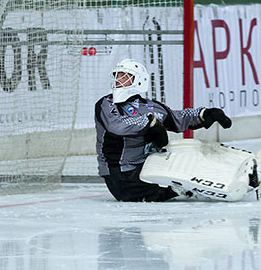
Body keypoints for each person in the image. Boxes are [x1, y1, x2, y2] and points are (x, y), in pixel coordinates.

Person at [94, 58, 233, 202]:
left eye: (125, 76)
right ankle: (183, 190)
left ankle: (226, 176)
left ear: (139, 80)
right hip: (119, 171)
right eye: (117, 75)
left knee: (189, 150)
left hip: (149, 165)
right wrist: (151, 124)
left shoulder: (152, 106)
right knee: (136, 196)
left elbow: (177, 118)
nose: (119, 80)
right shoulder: (106, 103)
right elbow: (117, 126)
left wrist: (203, 114)